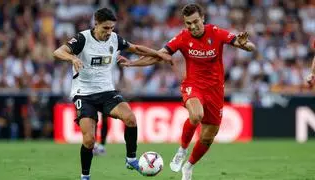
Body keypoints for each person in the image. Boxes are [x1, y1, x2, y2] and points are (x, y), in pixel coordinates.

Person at [118, 3, 256, 180]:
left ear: (203, 19)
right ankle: (181, 150)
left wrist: (246, 45)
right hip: (193, 85)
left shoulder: (215, 32)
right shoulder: (182, 38)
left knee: (208, 137)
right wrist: (131, 63)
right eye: (188, 23)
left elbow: (247, 45)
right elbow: (159, 55)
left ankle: (188, 167)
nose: (192, 26)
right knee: (196, 115)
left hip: (215, 90)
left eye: (195, 22)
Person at [53, 8, 171, 180]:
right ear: (96, 24)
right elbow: (57, 52)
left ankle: (131, 159)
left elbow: (136, 48)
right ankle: (85, 176)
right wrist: (73, 58)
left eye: (112, 28)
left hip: (107, 92)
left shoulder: (115, 39)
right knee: (89, 141)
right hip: (84, 94)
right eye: (105, 28)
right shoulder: (82, 38)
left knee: (130, 118)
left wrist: (159, 54)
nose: (109, 32)